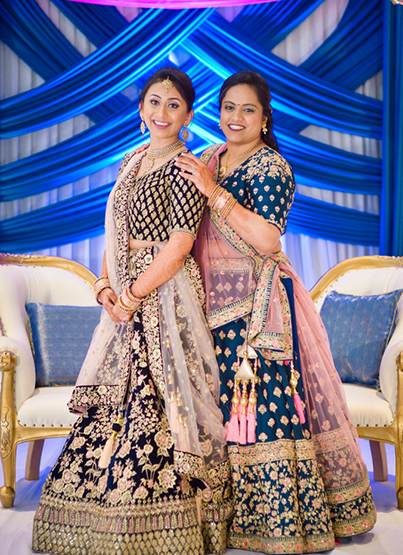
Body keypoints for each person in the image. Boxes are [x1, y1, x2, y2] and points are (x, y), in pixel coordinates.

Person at [175, 71, 377, 554]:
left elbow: (268, 239)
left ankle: (277, 522)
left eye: (248, 110)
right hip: (209, 307)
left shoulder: (273, 169)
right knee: (217, 413)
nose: (236, 118)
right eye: (228, 108)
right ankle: (219, 519)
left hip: (256, 312)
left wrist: (213, 193)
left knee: (261, 411)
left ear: (265, 119)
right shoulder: (209, 159)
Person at [32, 68, 232, 555]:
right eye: (154, 101)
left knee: (162, 400)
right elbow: (114, 234)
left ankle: (165, 527)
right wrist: (104, 284)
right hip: (123, 298)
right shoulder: (130, 160)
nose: (162, 112)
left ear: (187, 114)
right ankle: (92, 520)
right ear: (141, 109)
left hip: (163, 298)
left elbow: (180, 245)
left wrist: (134, 295)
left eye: (174, 104)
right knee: (112, 401)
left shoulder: (185, 167)